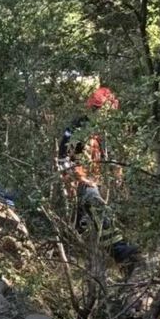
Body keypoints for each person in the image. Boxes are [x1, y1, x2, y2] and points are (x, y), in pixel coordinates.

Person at [58, 87, 138, 270]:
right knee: (96, 205)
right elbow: (64, 160)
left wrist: (117, 173)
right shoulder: (78, 129)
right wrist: (80, 180)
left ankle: (73, 252)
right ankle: (119, 251)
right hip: (78, 182)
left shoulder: (103, 132)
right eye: (103, 111)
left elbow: (110, 157)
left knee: (81, 226)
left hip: (95, 180)